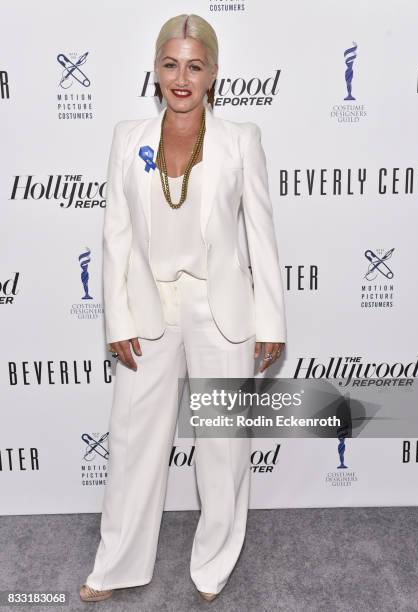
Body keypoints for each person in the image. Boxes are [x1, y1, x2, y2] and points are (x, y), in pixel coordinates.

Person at [80, 13, 286, 604]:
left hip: (220, 308)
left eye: (195, 66)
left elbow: (261, 237)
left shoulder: (241, 139)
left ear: (214, 74)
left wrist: (270, 320)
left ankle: (213, 567)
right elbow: (115, 236)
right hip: (151, 305)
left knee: (223, 448)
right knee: (131, 439)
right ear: (155, 68)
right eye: (171, 64)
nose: (181, 77)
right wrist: (117, 318)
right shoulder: (127, 136)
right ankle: (117, 564)